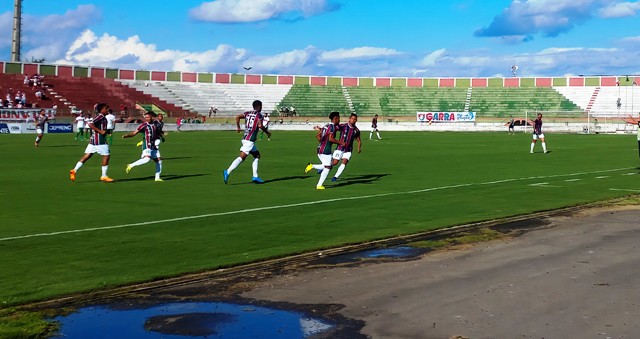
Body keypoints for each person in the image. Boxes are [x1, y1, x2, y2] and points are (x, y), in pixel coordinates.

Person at [223, 100, 271, 184]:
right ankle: (227, 171)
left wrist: (238, 127)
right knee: (242, 157)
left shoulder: (247, 113)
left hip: (245, 138)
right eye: (261, 106)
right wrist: (267, 132)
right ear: (259, 106)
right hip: (249, 140)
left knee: (257, 156)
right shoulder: (259, 115)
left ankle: (255, 176)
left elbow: (237, 116)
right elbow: (260, 125)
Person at [69, 103, 114, 182]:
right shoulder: (100, 116)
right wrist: (101, 131)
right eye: (106, 109)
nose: (107, 110)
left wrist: (106, 131)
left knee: (87, 156)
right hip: (100, 141)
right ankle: (104, 176)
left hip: (93, 141)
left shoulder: (102, 117)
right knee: (106, 156)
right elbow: (90, 124)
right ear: (102, 110)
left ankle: (74, 170)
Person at [304, 111, 345, 190]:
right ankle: (319, 185)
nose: (339, 120)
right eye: (339, 118)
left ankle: (312, 166)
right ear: (335, 118)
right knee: (328, 167)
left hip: (320, 148)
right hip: (325, 150)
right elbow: (330, 138)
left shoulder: (326, 126)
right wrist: (340, 143)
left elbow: (317, 135)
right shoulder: (332, 128)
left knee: (327, 165)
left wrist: (323, 143)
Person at [122, 111, 163, 182]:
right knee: (147, 159)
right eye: (146, 117)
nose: (147, 118)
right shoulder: (144, 125)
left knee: (159, 161)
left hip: (153, 146)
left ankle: (157, 177)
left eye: (148, 117)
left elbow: (157, 133)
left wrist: (162, 136)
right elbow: (134, 133)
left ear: (152, 117)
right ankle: (131, 165)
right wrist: (127, 136)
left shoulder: (155, 125)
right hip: (146, 146)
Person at [331, 113, 362, 182]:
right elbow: (333, 128)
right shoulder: (343, 126)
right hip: (340, 148)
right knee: (335, 163)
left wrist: (359, 147)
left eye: (355, 119)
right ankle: (320, 167)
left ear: (356, 120)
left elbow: (359, 140)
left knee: (344, 163)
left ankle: (335, 177)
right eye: (352, 119)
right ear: (349, 119)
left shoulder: (356, 130)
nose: (353, 120)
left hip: (348, 150)